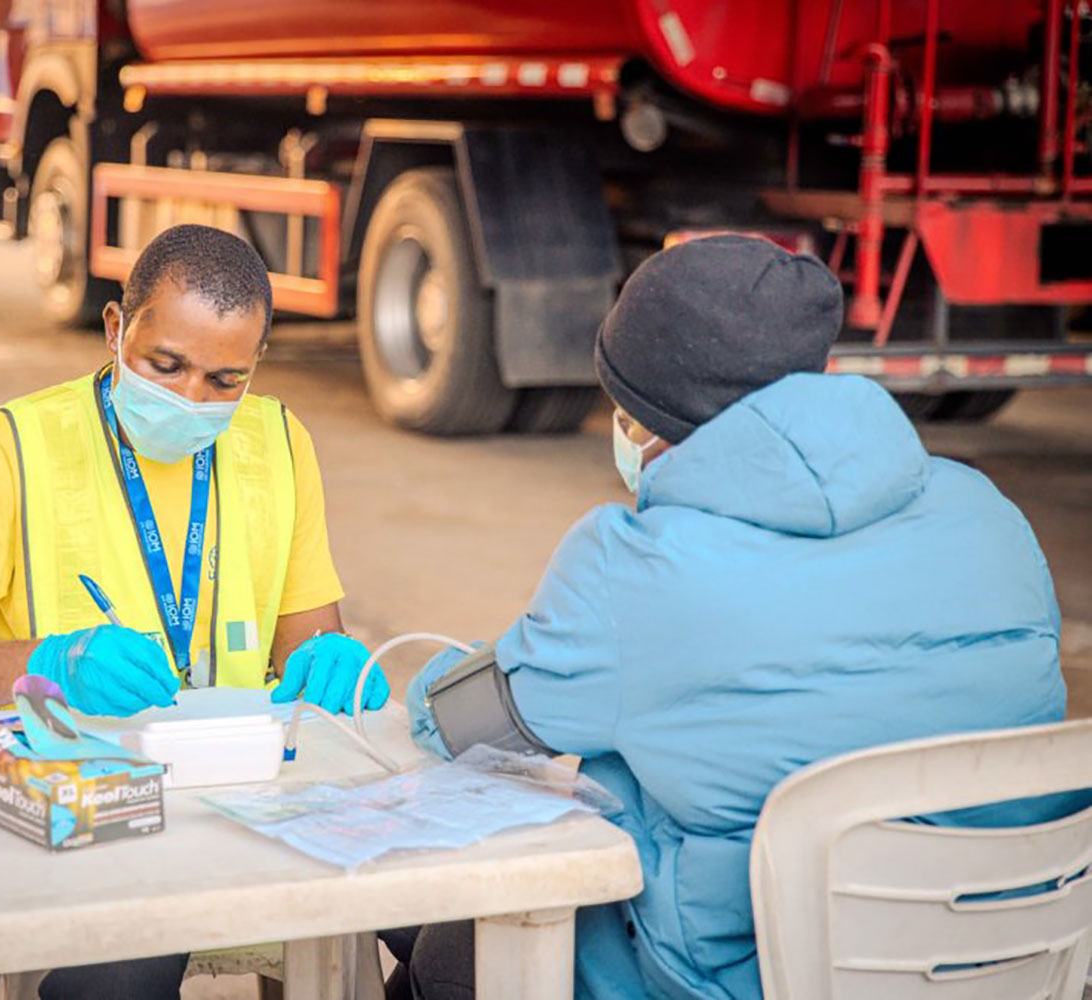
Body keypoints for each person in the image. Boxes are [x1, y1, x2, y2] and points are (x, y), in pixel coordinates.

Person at [401, 235, 1075, 1000]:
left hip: (736, 980)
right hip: (1002, 962)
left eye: (624, 411)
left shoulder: (630, 569)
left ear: (655, 420)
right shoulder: (987, 515)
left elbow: (458, 725)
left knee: (453, 949)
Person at [0, 223, 386, 999]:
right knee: (113, 977)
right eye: (165, 365)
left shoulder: (277, 441)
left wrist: (332, 664)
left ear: (256, 365)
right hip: (87, 819)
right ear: (115, 329)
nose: (190, 399)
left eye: (224, 380)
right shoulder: (12, 447)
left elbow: (311, 649)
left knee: (406, 908)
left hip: (245, 804)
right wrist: (49, 664)